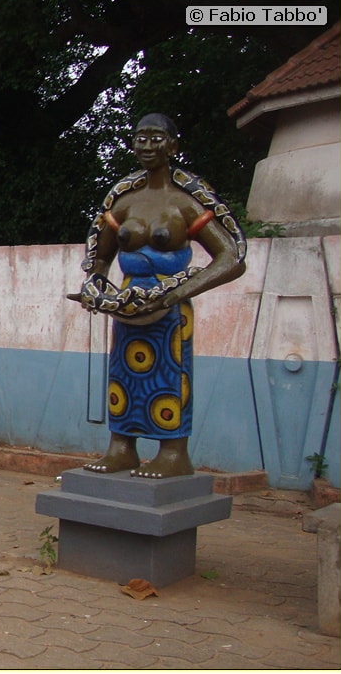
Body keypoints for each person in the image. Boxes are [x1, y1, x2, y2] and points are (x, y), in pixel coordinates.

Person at [69, 114, 246, 478]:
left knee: (170, 374)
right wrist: (97, 288)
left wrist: (178, 292)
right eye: (141, 138)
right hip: (128, 305)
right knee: (123, 374)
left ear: (173, 146)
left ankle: (173, 453)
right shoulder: (123, 200)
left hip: (170, 306)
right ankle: (122, 447)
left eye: (156, 138)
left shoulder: (186, 201)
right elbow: (101, 258)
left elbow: (231, 257)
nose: (148, 146)